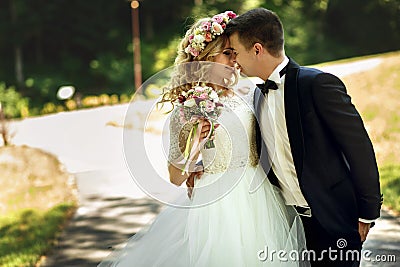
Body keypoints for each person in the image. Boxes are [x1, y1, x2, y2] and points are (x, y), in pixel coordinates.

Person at [98, 11, 309, 267]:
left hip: (263, 191)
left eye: (236, 53)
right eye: (227, 54)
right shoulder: (188, 108)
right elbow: (175, 177)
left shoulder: (248, 91)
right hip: (220, 202)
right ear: (206, 57)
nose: (235, 61)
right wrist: (196, 148)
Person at [225, 8, 382, 267]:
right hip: (287, 225)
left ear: (256, 49)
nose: (234, 60)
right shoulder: (256, 95)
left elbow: (359, 148)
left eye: (235, 52)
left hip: (333, 219)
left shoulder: (318, 84)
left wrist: (367, 213)